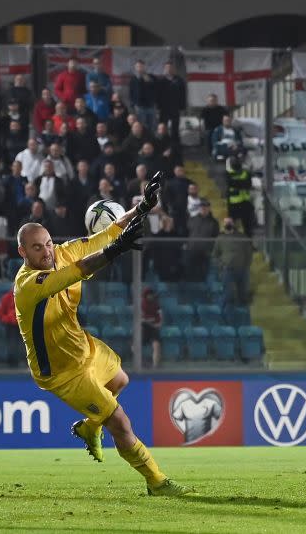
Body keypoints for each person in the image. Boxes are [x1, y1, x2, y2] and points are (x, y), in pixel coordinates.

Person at [13, 172, 190, 496]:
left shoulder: (64, 251)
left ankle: (88, 425)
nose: (47, 252)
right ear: (23, 252)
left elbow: (108, 234)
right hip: (62, 372)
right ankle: (156, 481)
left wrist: (143, 207)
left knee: (120, 381)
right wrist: (115, 252)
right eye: (37, 248)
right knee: (120, 422)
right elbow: (79, 271)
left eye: (49, 243)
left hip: (84, 347)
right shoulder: (27, 287)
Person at [211, 217, 253, 306]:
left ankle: (243, 315)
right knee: (228, 294)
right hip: (227, 270)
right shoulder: (220, 238)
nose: (228, 224)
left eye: (229, 222)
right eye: (226, 223)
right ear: (223, 225)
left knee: (243, 294)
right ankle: (227, 315)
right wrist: (221, 265)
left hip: (242, 270)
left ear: (233, 224)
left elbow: (249, 253)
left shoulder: (242, 237)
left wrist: (246, 265)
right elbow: (214, 256)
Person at [226, 155, 255, 236]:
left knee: (248, 227)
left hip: (245, 203)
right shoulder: (228, 174)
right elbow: (231, 183)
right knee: (231, 227)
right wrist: (242, 184)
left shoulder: (246, 173)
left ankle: (249, 245)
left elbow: (247, 184)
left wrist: (237, 184)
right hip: (233, 205)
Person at [141, 287, 163, 369]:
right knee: (134, 346)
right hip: (144, 328)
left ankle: (155, 365)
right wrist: (149, 320)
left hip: (154, 328)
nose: (150, 296)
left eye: (151, 294)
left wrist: (159, 323)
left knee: (156, 345)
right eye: (148, 295)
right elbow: (141, 318)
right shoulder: (142, 304)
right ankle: (141, 363)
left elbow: (160, 315)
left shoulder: (156, 304)